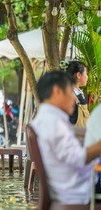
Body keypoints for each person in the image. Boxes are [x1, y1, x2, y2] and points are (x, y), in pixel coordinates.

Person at [31, 70, 101, 205]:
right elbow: (79, 158)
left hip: (74, 185)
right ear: (57, 91)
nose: (74, 99)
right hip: (80, 190)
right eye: (71, 92)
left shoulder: (47, 119)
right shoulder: (53, 123)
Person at [65, 60, 89, 127]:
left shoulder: (78, 93)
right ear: (78, 75)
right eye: (86, 73)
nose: (87, 77)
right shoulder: (69, 97)